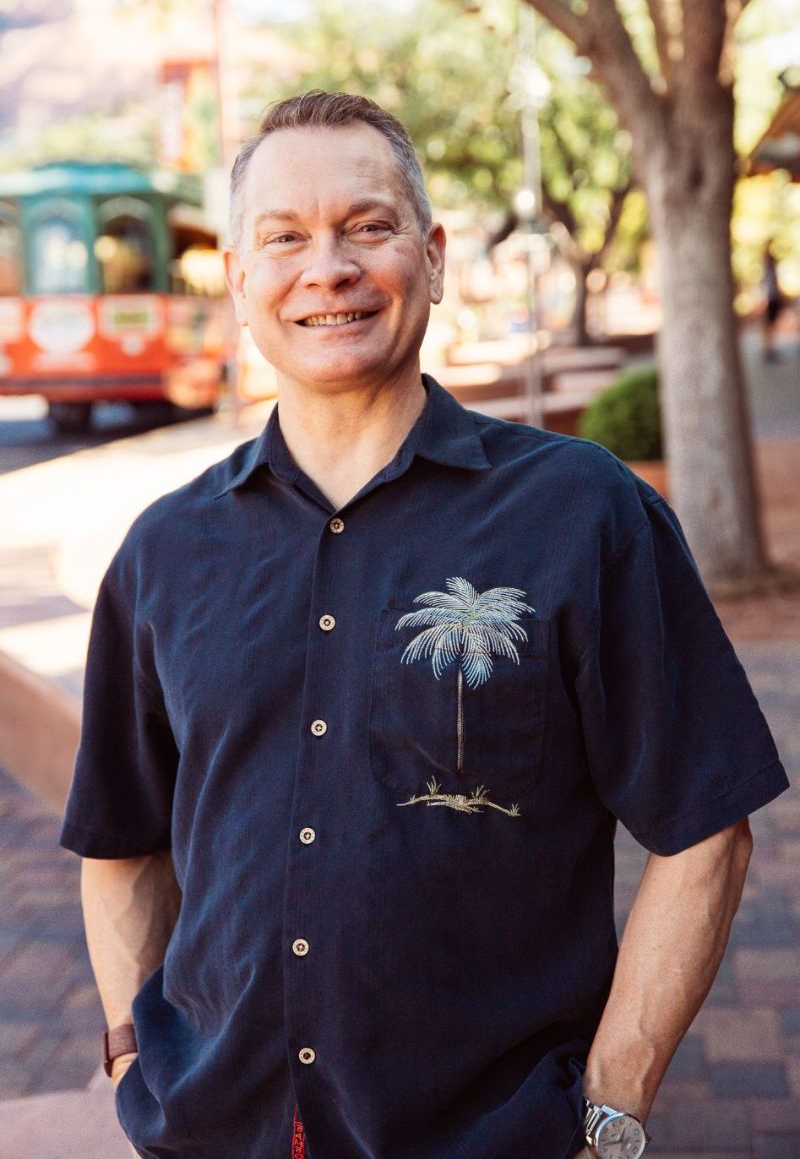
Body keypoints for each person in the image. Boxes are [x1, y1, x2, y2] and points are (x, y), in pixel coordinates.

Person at [61, 91, 788, 1159]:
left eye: (367, 227)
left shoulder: (580, 512)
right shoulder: (165, 549)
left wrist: (609, 1110)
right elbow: (122, 843)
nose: (329, 269)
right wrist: (133, 1060)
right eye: (284, 239)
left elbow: (703, 829)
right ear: (244, 285)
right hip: (211, 1134)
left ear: (434, 259)